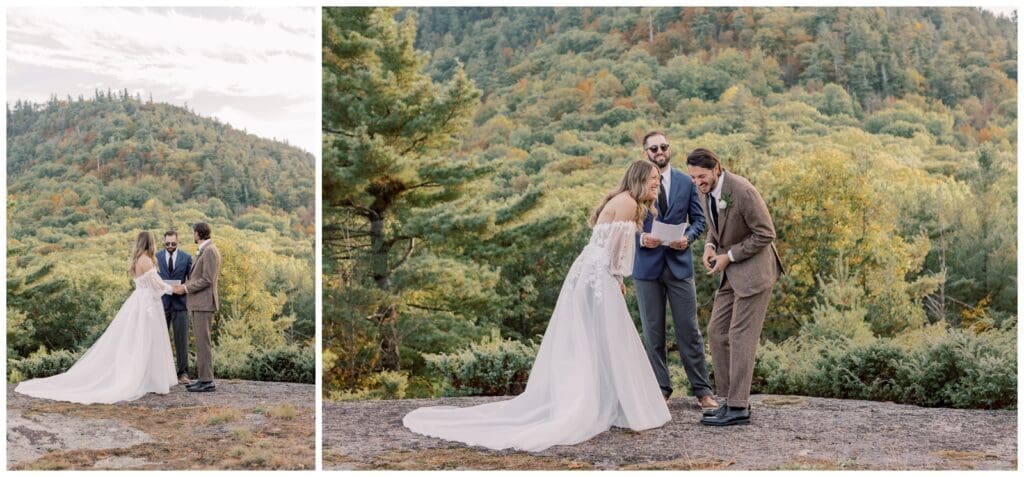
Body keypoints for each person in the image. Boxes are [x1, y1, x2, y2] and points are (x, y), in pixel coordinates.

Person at [403, 160, 670, 452]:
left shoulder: (622, 199)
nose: (657, 182)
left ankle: (603, 400)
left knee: (593, 339)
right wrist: (619, 277)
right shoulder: (630, 204)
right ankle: (603, 404)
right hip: (600, 274)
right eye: (653, 178)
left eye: (658, 178)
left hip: (587, 271)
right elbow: (619, 249)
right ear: (639, 178)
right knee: (607, 338)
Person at [15, 231, 178, 404]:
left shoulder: (138, 259)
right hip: (147, 305)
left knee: (139, 340)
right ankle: (149, 379)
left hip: (139, 301)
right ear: (150, 243)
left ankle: (149, 378)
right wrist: (172, 289)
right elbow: (155, 284)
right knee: (147, 339)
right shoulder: (146, 260)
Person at [685, 148, 785, 426]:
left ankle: (739, 407)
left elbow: (766, 233)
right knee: (717, 332)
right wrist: (709, 246)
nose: (697, 182)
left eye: (701, 176)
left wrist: (727, 257)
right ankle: (728, 400)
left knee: (740, 336)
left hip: (754, 274)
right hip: (730, 274)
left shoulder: (742, 190)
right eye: (693, 177)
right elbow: (715, 227)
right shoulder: (704, 191)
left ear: (717, 168)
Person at [634, 131, 717, 409]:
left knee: (689, 330)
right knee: (653, 332)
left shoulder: (685, 181)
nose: (659, 150)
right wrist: (642, 239)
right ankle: (660, 390)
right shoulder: (636, 183)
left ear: (670, 148)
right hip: (646, 267)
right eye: (653, 147)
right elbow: (623, 225)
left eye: (663, 146)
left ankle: (702, 391)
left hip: (679, 265)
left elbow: (699, 220)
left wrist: (689, 238)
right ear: (645, 152)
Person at [172, 222, 220, 393]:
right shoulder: (206, 250)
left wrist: (185, 288)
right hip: (199, 303)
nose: (193, 235)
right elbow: (198, 277)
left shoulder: (210, 251)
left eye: (194, 233)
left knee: (203, 342)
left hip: (204, 304)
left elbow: (207, 279)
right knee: (200, 342)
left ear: (198, 234)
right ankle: (204, 379)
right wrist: (183, 286)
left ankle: (207, 381)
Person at [157, 230, 193, 384]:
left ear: (178, 242)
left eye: (173, 243)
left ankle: (183, 373)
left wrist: (183, 287)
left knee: (181, 340)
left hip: (181, 304)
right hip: (161, 303)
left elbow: (193, 280)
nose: (170, 246)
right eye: (167, 244)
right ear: (163, 242)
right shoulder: (156, 257)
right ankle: (160, 373)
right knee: (159, 340)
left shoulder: (187, 258)